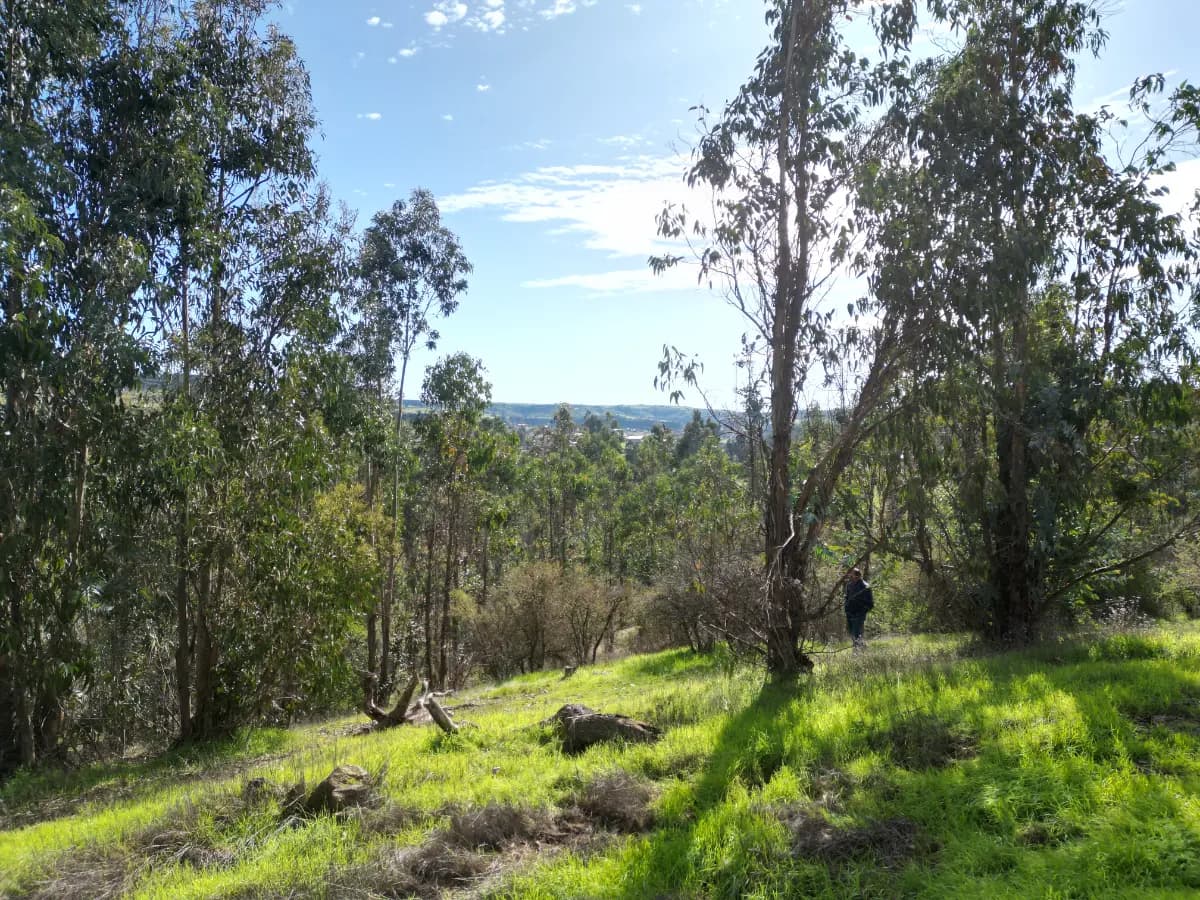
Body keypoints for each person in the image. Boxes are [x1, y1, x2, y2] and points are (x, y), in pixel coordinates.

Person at [844, 567, 874, 650]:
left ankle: (857, 652)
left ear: (857, 575)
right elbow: (846, 598)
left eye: (852, 574)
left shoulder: (865, 586)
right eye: (851, 574)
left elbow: (870, 603)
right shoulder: (849, 585)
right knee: (852, 633)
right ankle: (863, 648)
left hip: (859, 614)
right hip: (850, 613)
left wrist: (862, 612)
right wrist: (846, 609)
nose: (851, 575)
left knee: (856, 633)